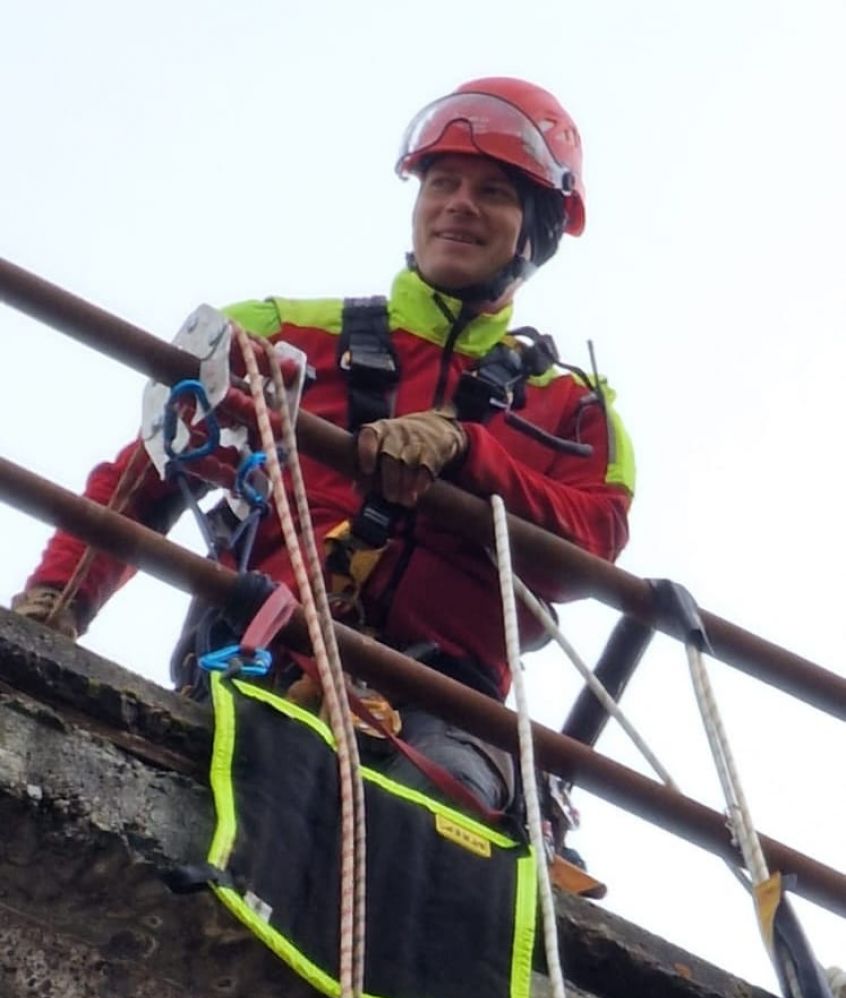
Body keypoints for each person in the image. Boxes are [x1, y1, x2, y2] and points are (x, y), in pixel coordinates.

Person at [12, 77, 635, 818]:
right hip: (267, 656)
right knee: (253, 788)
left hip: (445, 710)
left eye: (493, 192)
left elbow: (591, 548)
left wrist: (467, 452)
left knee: (442, 816)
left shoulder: (573, 411)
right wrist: (59, 599)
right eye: (442, 182)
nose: (459, 204)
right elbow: (146, 472)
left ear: (540, 227)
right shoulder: (283, 335)